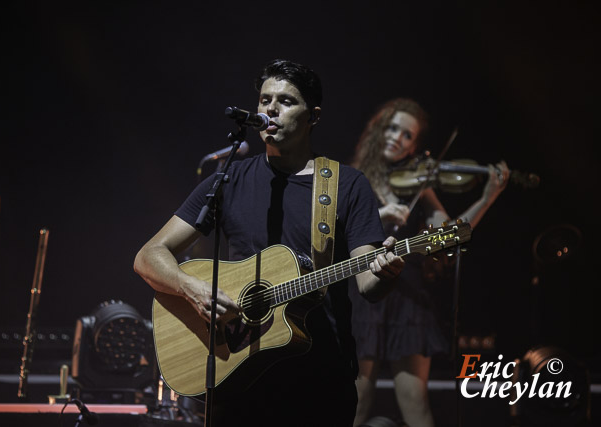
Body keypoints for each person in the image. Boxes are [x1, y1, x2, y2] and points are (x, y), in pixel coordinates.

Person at [134, 59, 406, 427]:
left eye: (286, 101)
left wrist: (386, 271)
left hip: (319, 381)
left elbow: (367, 284)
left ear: (314, 116)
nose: (271, 109)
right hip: (236, 377)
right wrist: (192, 288)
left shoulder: (346, 185)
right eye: (264, 100)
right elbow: (149, 255)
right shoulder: (229, 178)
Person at [349, 98, 510, 427]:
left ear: (414, 147)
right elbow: (334, 236)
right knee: (357, 400)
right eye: (392, 128)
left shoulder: (419, 187)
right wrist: (379, 214)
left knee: (415, 402)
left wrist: (486, 198)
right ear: (378, 130)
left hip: (408, 299)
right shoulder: (351, 180)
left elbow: (448, 235)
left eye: (408, 135)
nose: (397, 138)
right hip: (363, 295)